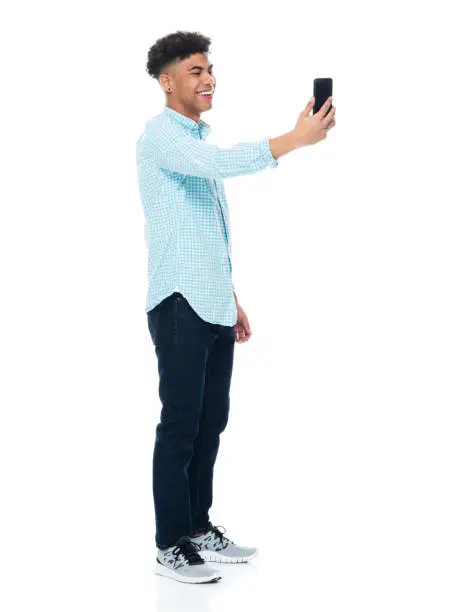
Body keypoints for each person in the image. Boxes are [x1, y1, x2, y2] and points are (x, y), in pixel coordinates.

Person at [135, 30, 336, 585]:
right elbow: (222, 164)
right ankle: (169, 544)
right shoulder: (162, 138)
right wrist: (293, 139)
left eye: (210, 69)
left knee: (210, 422)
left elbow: (200, 229)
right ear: (167, 81)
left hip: (211, 301)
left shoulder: (194, 139)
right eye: (195, 71)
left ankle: (198, 529)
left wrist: (230, 296)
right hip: (177, 303)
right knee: (179, 425)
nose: (208, 79)